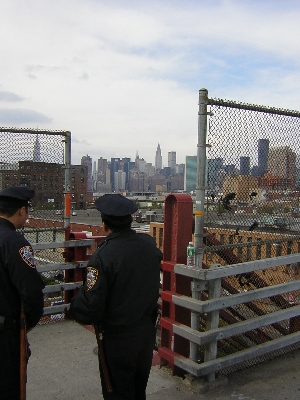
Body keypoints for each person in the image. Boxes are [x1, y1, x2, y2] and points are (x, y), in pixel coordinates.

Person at [70, 194, 162, 400]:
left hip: (117, 337)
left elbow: (91, 307)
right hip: (145, 333)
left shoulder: (103, 256)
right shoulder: (148, 246)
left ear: (104, 224)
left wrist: (74, 305)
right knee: (139, 388)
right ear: (130, 220)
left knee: (118, 392)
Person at [0, 186, 45, 400]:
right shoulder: (16, 243)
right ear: (21, 211)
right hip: (5, 333)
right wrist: (27, 323)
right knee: (10, 388)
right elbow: (32, 293)